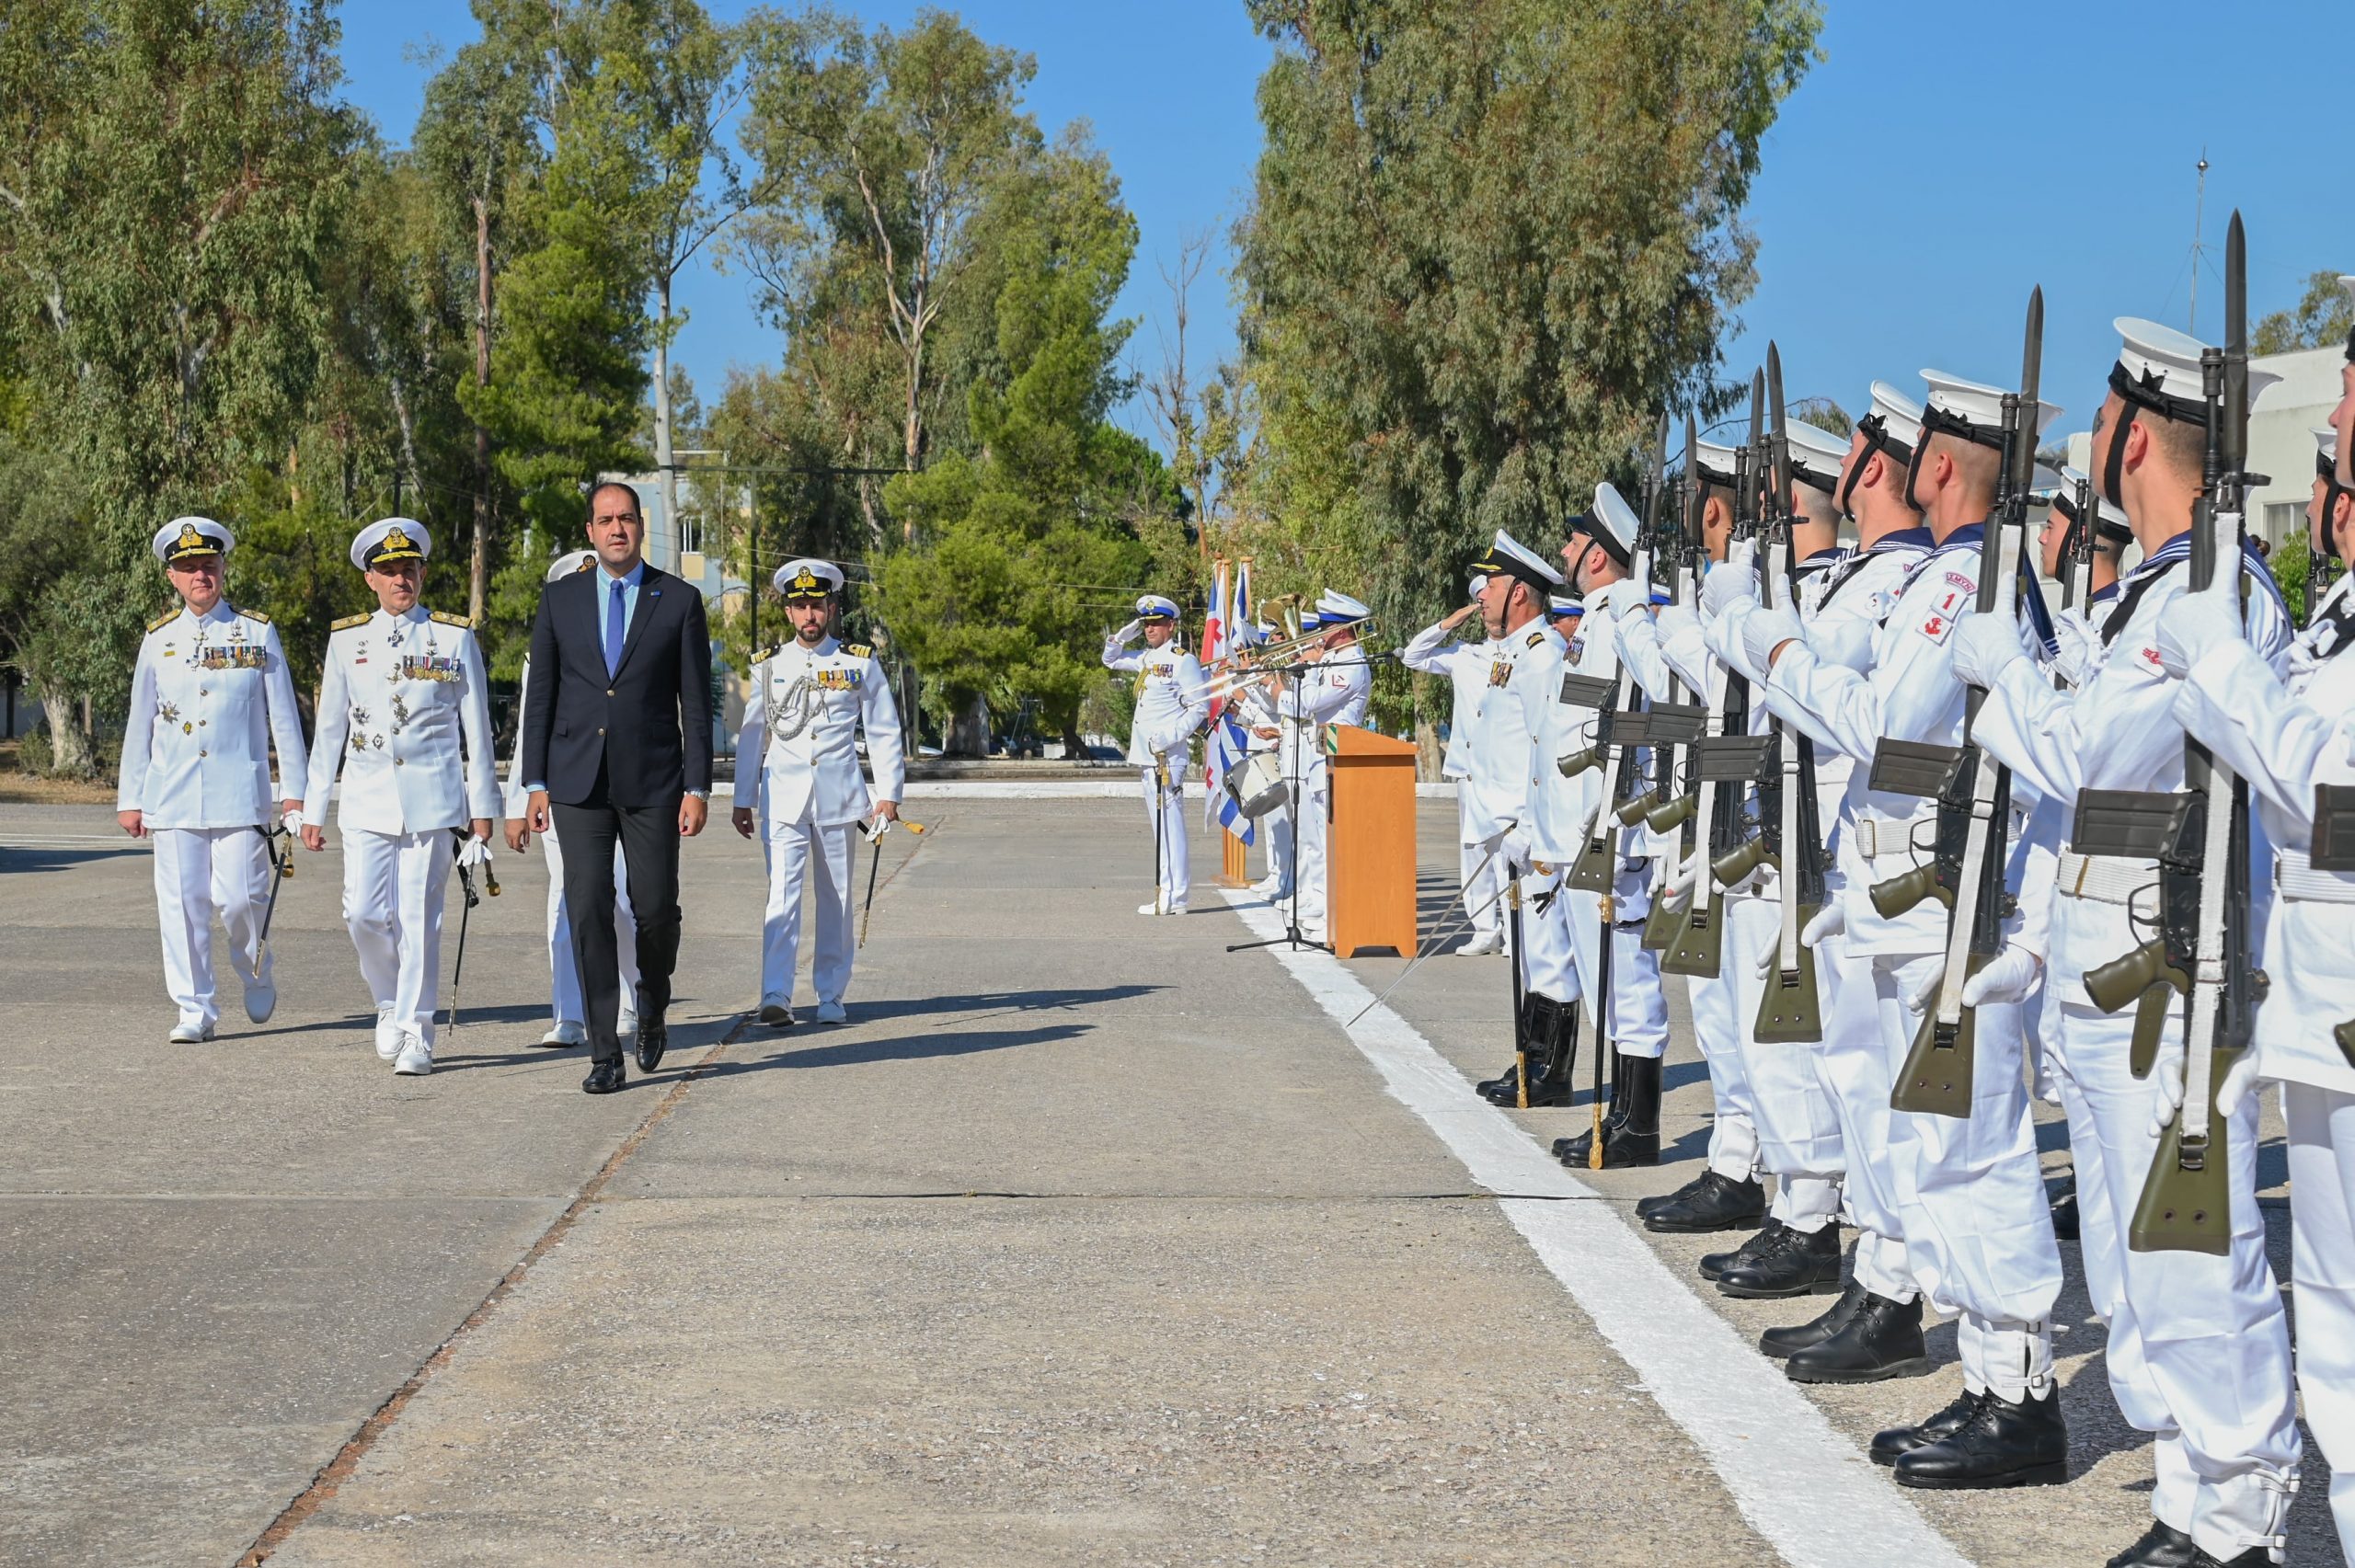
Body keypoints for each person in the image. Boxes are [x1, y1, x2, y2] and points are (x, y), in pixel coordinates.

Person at [1953, 321, 2300, 1563]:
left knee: (2195, 1256)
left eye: (2101, 421)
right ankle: (2188, 1496)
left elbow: (2087, 756)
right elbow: (2086, 807)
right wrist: (2039, 945)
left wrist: (2006, 673)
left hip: (2174, 975)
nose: (2090, 441)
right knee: (2132, 1259)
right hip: (2105, 968)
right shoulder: (2152, 592)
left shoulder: (2212, 593)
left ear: (2135, 438)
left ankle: (2241, 1513)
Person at [1749, 368, 2070, 1489]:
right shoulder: (1951, 576)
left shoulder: (1966, 582)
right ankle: (1990, 1381)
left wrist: (1781, 660)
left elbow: (1887, 728)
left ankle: (2020, 1394)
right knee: (1936, 1152)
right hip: (1914, 906)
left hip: (1951, 908)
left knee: (1974, 1153)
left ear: (1937, 462)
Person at [1704, 382, 1938, 1374]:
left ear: (1872, 465)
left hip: (1871, 855)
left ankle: (1857, 1257)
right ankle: (1863, 1267)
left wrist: (1748, 620)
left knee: (1872, 1085)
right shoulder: (1865, 580)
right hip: (1835, 844)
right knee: (1834, 1063)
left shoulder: (1898, 581)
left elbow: (1815, 681)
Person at [2163, 411, 2355, 1566]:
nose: (2332, 428)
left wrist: (2223, 665)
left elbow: (2333, 799)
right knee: (2333, 1326)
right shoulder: (2336, 622)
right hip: (2320, 1011)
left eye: (2347, 401)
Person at [520, 480, 715, 1094]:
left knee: (654, 908)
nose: (616, 529)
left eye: (626, 518)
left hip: (653, 781)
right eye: (605, 520)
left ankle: (652, 999)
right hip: (576, 781)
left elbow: (696, 702)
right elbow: (541, 696)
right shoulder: (560, 599)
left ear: (640, 526)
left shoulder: (678, 599)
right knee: (588, 908)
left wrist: (698, 787)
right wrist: (534, 781)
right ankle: (604, 1052)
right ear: (590, 531)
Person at [299, 518, 500, 1076]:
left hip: (432, 800)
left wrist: (483, 810)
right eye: (388, 571)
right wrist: (314, 807)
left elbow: (477, 731)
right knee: (363, 913)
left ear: (422, 573)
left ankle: (416, 1031)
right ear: (371, 579)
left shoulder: (452, 637)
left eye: (408, 569)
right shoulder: (347, 641)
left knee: (419, 917)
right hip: (367, 798)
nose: (400, 579)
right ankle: (388, 999)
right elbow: (330, 732)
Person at [117, 517, 307, 1042]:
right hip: (173, 794)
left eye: (208, 564)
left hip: (238, 793)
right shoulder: (159, 639)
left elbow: (284, 719)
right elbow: (140, 721)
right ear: (172, 577)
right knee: (182, 906)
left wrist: (295, 794)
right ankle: (194, 1009)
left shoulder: (256, 632)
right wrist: (131, 796)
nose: (200, 575)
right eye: (189, 567)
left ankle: (255, 968)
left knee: (242, 898)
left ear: (223, 568)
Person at [1538, 488, 1674, 1169]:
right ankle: (1619, 1114)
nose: (1565, 550)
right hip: (1581, 832)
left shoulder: (1620, 612)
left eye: (1574, 540)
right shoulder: (1595, 619)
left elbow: (1630, 725)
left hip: (1611, 831)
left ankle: (1638, 1126)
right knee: (1608, 986)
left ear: (1597, 555)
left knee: (1630, 981)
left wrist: (1608, 831)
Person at [731, 558, 907, 1026]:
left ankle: (830, 993)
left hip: (837, 797)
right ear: (789, 612)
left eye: (817, 605)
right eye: (801, 606)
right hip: (783, 798)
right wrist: (743, 799)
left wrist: (888, 793)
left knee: (837, 899)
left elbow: (883, 727)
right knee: (781, 897)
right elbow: (753, 734)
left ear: (830, 609)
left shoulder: (857, 661)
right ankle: (776, 993)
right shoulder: (770, 665)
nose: (809, 615)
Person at [505, 548, 638, 1048]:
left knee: (620, 901)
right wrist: (519, 801)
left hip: (623, 791)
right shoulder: (542, 654)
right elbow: (530, 726)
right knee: (565, 902)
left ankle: (631, 998)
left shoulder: (627, 646)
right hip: (563, 791)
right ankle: (569, 1012)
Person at [1458, 532, 1574, 1104]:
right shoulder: (1513, 653)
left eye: (1493, 585)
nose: (1482, 595)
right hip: (1509, 828)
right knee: (1530, 951)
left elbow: (1546, 747)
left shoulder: (1542, 654)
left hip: (1532, 831)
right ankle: (1531, 1059)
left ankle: (1551, 1072)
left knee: (1549, 952)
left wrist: (1530, 828)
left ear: (1520, 593)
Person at [1401, 578, 1507, 956]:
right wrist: (1447, 624)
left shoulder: (1526, 652)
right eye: (1480, 604)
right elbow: (1412, 656)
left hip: (1507, 767)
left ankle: (1516, 932)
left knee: (1507, 851)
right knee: (1473, 849)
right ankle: (1485, 929)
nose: (1486, 609)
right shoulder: (1464, 654)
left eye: (1488, 601)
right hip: (1468, 768)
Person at [1278, 590, 1375, 944]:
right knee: (1324, 842)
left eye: (1326, 628)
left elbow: (1311, 703)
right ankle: (1329, 911)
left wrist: (1294, 680)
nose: (1319, 635)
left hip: (1339, 759)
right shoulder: (1334, 660)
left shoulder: (1350, 664)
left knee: (1333, 846)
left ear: (1342, 630)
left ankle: (1338, 915)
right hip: (1323, 759)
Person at [1101, 595, 1207, 915]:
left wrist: (1171, 737)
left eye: (1156, 623)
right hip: (1147, 756)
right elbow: (1110, 660)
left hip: (1167, 757)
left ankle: (1175, 896)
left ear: (1170, 625)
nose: (1150, 629)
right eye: (1146, 624)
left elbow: (1199, 708)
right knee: (1160, 829)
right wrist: (1121, 637)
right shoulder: (1147, 659)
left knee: (1170, 828)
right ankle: (1168, 894)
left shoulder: (1183, 661)